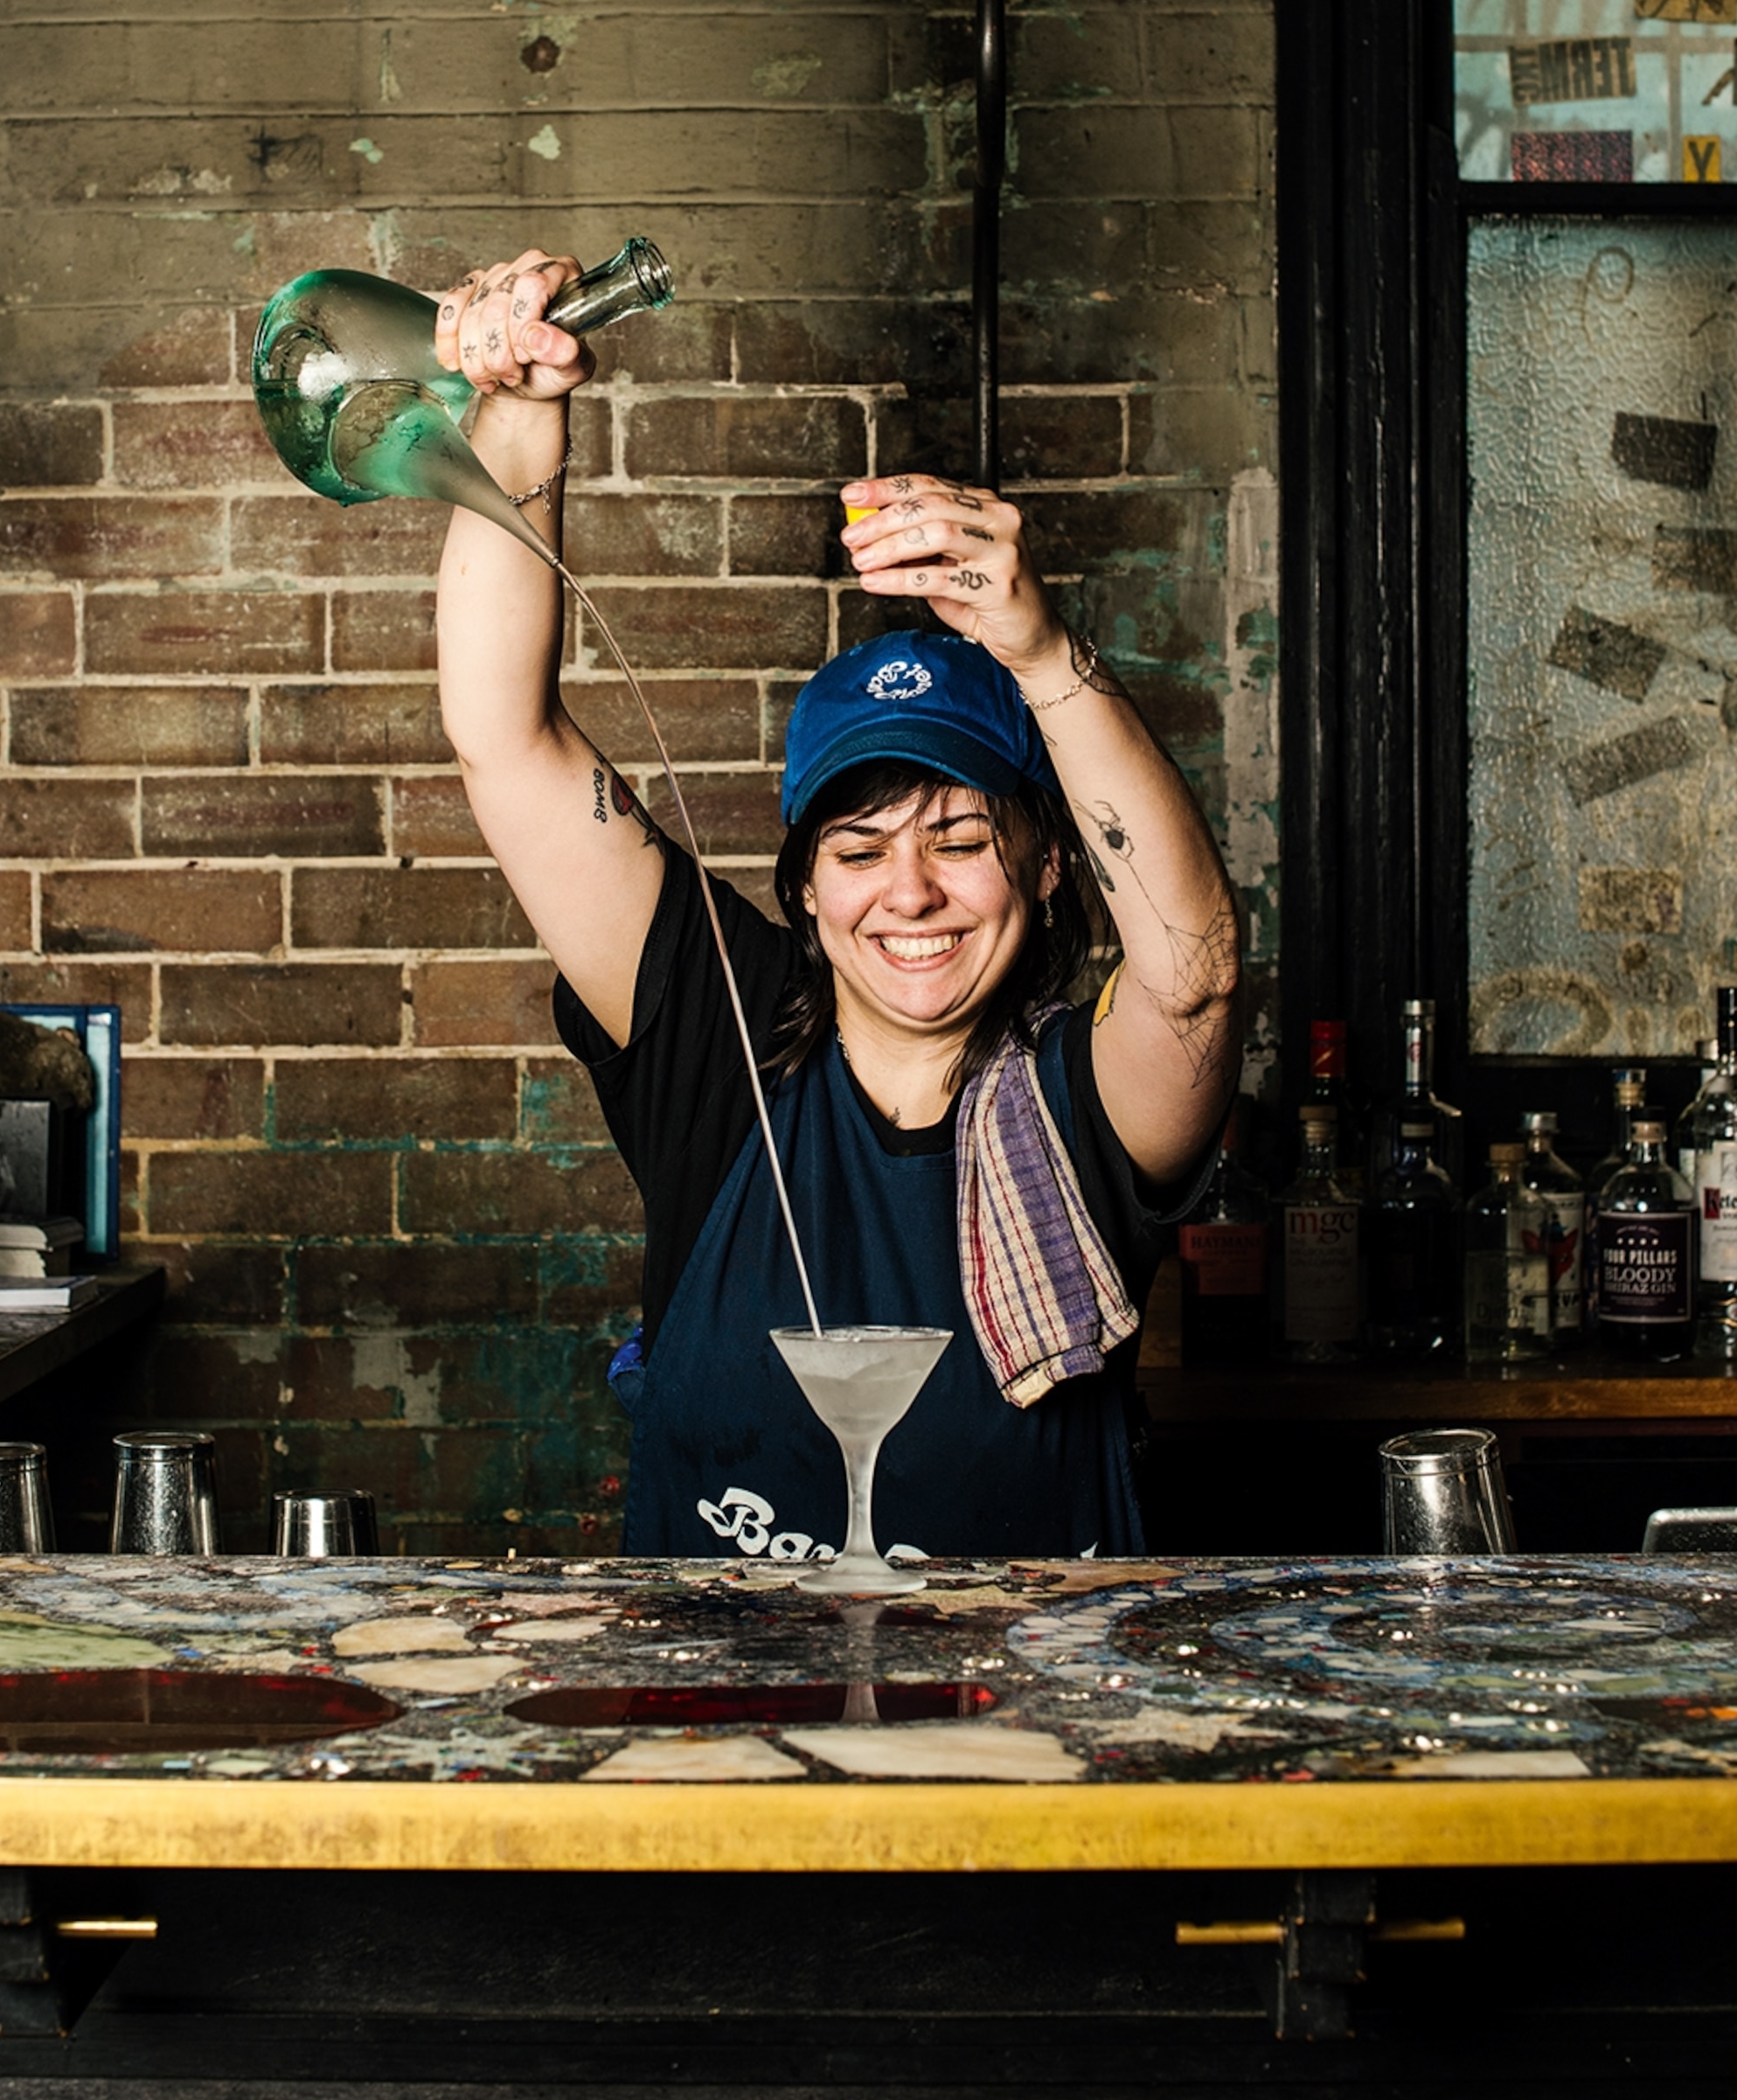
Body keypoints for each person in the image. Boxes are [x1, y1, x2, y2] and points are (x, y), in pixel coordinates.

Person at [434, 250, 1240, 1561]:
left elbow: (1193, 967)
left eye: (964, 836)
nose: (910, 891)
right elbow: (502, 737)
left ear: (1047, 867)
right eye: (858, 850)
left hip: (1032, 1736)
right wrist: (521, 406)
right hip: (717, 1738)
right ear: (804, 889)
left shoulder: (1077, 1106)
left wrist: (1038, 650)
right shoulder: (720, 1033)